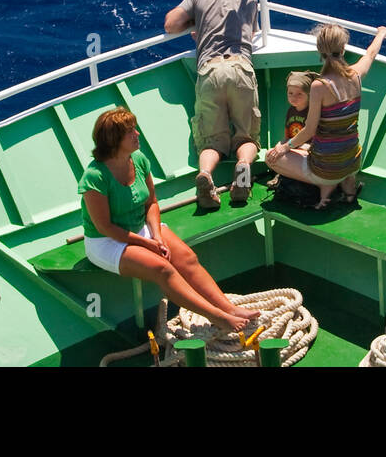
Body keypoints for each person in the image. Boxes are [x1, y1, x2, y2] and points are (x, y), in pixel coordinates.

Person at [80, 107, 258, 332]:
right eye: (130, 132)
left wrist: (156, 235)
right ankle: (218, 317)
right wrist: (148, 244)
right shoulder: (94, 177)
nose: (137, 135)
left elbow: (152, 203)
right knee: (163, 268)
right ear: (114, 140)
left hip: (140, 228)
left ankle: (229, 308)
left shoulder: (139, 160)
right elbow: (105, 227)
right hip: (106, 242)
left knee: (187, 258)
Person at [164, 0, 261, 209]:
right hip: (240, 69)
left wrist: (197, 23)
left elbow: (171, 24)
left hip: (209, 71)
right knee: (246, 137)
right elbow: (252, 33)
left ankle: (206, 175)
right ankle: (242, 172)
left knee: (211, 141)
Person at [266, 24, 386, 209]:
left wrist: (285, 147)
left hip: (326, 169)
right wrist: (382, 33)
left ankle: (325, 184)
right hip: (352, 160)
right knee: (334, 156)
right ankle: (348, 191)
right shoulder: (356, 74)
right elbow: (370, 53)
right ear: (343, 49)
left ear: (320, 51)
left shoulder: (319, 86)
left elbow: (309, 130)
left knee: (271, 157)